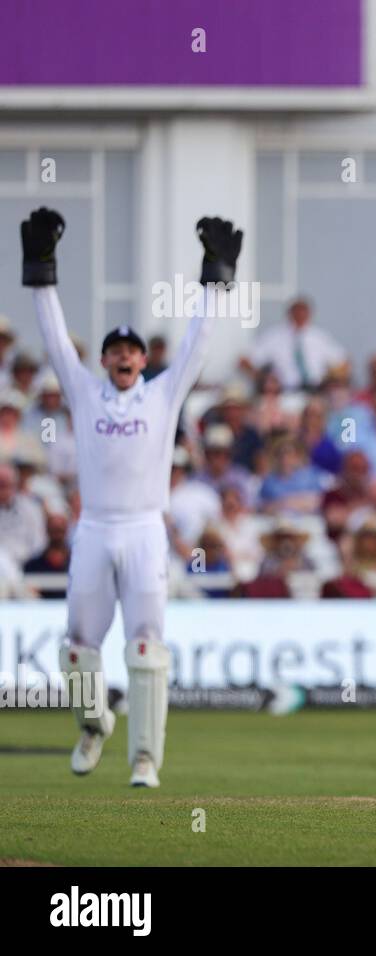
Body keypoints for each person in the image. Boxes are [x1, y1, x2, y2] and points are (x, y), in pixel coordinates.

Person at [24, 207, 241, 788]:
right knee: (78, 650)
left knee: (147, 647)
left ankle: (145, 757)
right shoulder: (83, 391)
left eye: (132, 351)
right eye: (114, 351)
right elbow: (51, 340)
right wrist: (41, 269)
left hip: (146, 528)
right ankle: (94, 726)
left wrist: (216, 274)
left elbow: (198, 341)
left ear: (144, 361)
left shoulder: (164, 394)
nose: (123, 357)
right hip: (94, 528)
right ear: (102, 361)